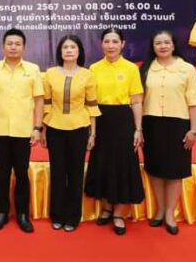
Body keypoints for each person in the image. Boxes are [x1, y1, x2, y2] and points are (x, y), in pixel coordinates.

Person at [139, 30, 196, 235]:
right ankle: (159, 209)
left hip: (178, 125)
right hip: (151, 124)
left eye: (167, 42)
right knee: (155, 169)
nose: (163, 46)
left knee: (175, 171)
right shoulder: (146, 69)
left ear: (174, 45)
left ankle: (169, 213)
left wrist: (194, 130)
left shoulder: (187, 69)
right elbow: (138, 101)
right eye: (158, 43)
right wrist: (138, 128)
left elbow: (194, 100)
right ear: (153, 47)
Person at [84, 28, 145, 235]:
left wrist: (138, 129)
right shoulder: (93, 68)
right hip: (100, 119)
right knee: (102, 162)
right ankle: (107, 208)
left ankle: (118, 213)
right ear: (101, 44)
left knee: (122, 164)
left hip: (123, 121)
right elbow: (90, 101)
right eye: (107, 41)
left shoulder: (131, 69)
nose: (111, 46)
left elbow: (136, 101)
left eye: (115, 41)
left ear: (122, 44)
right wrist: (91, 131)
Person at [0, 29, 44, 233]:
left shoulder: (33, 69)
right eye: (9, 43)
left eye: (17, 44)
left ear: (24, 47)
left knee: (21, 173)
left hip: (23, 131)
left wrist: (37, 128)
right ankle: (1, 212)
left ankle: (22, 214)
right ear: (3, 46)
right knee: (2, 172)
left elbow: (39, 100)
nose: (13, 47)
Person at [43, 35, 100, 232]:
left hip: (79, 128)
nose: (68, 50)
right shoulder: (50, 74)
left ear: (79, 52)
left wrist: (92, 134)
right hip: (55, 128)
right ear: (60, 52)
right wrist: (43, 130)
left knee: (75, 174)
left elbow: (92, 106)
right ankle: (57, 215)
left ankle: (73, 217)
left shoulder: (87, 74)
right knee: (58, 172)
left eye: (72, 47)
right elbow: (46, 104)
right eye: (65, 47)